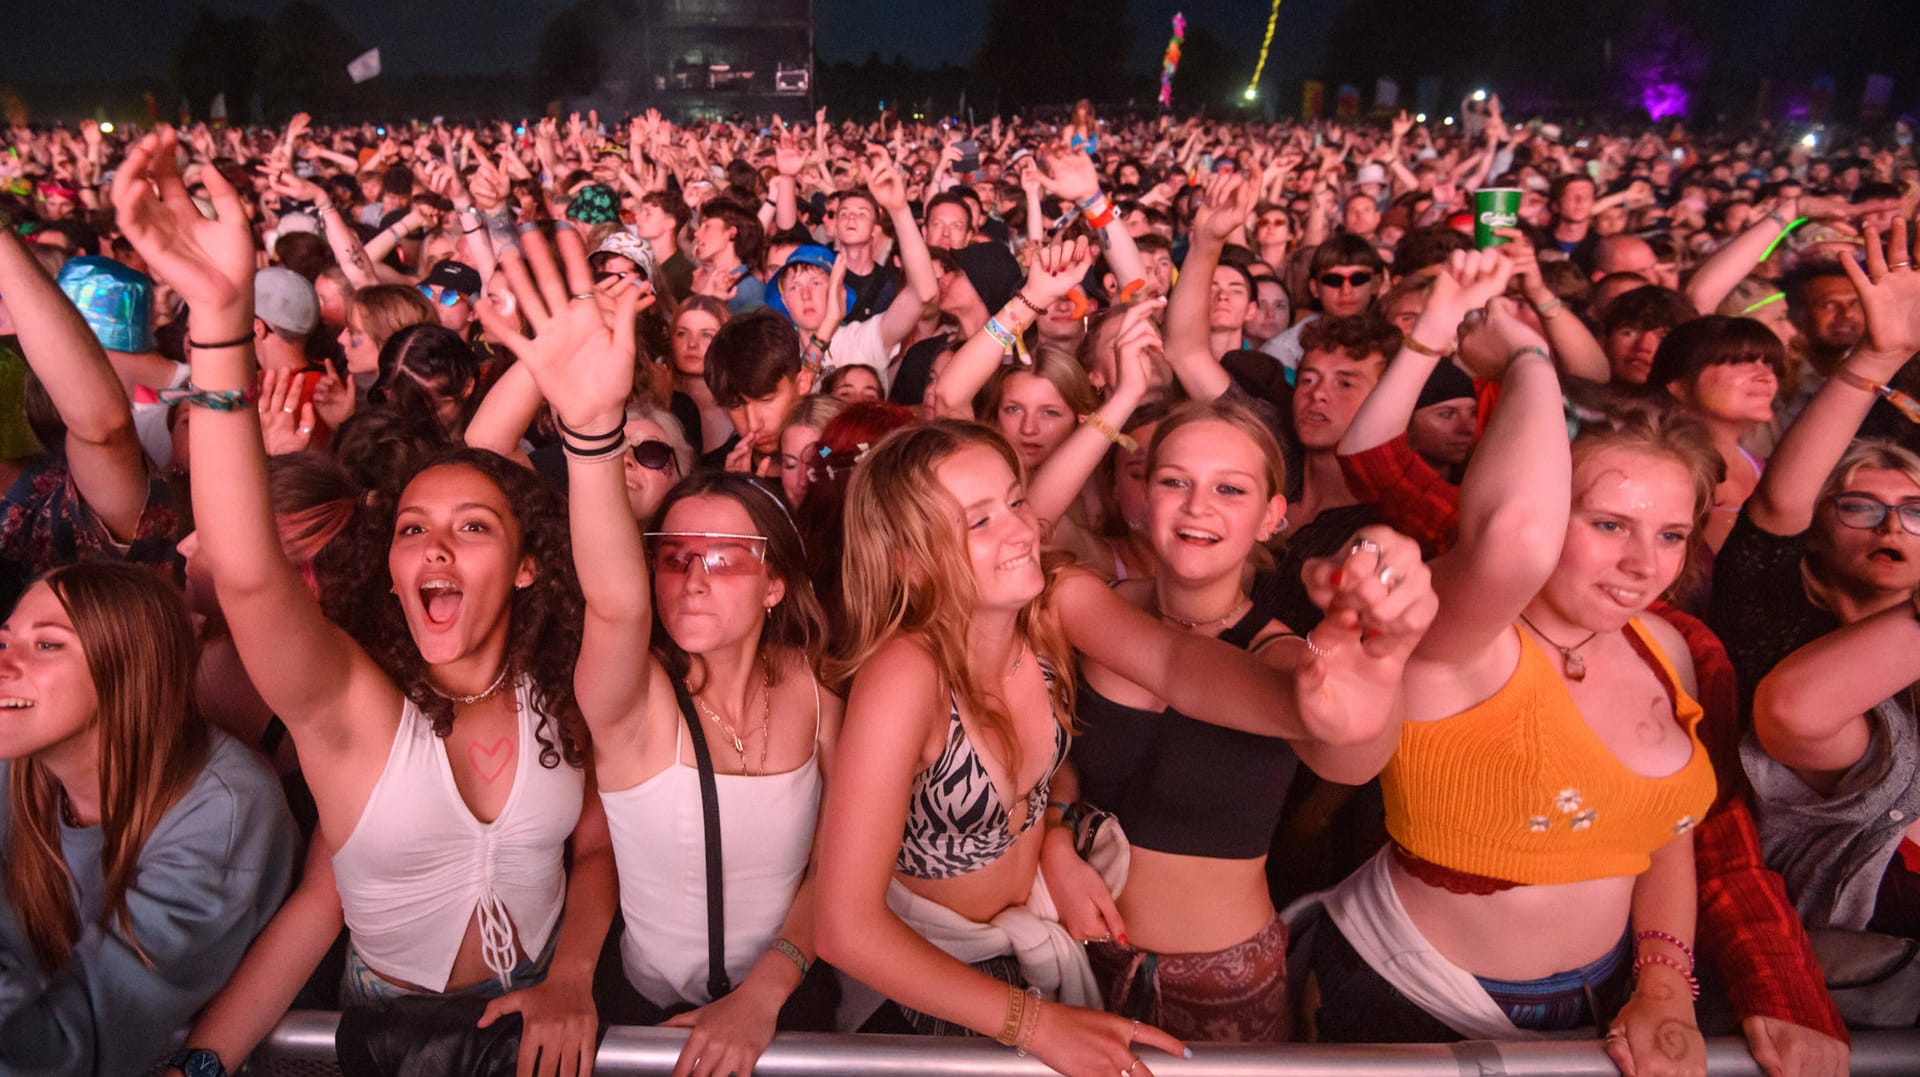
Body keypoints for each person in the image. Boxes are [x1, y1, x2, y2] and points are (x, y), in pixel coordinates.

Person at [113, 127, 613, 1077]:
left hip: (548, 1021)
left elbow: (592, 851)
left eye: (473, 528)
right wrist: (219, 325)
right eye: (413, 528)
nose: (434, 545)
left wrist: (575, 973)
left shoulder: (561, 679)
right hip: (390, 1040)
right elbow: (250, 567)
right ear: (387, 565)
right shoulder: (348, 701)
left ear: (524, 567)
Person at [816, 418, 1435, 1076]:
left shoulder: (1052, 603)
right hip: (931, 986)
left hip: (1041, 960)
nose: (1023, 530)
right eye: (979, 521)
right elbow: (844, 925)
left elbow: (1172, 662)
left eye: (1016, 501)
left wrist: (1311, 702)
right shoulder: (905, 673)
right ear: (908, 556)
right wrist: (1036, 1022)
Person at [1306, 261, 1717, 1077]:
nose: (1642, 563)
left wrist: (1666, 982)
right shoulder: (1464, 642)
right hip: (1415, 995)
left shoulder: (1664, 648)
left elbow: (1665, 826)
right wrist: (1526, 357)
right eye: (1608, 523)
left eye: (1671, 534)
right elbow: (1511, 540)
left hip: (1609, 997)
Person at [474, 225, 843, 1077]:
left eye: (723, 556)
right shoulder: (632, 698)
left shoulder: (816, 689)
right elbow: (612, 597)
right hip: (646, 1022)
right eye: (674, 555)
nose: (694, 577)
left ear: (776, 583)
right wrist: (593, 428)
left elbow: (842, 859)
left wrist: (762, 994)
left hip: (793, 1017)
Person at [0, 562, 298, 1077]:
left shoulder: (224, 806)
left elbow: (95, 1025)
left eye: (47, 645)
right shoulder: (15, 768)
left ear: (127, 668)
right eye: (5, 641)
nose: (4, 663)